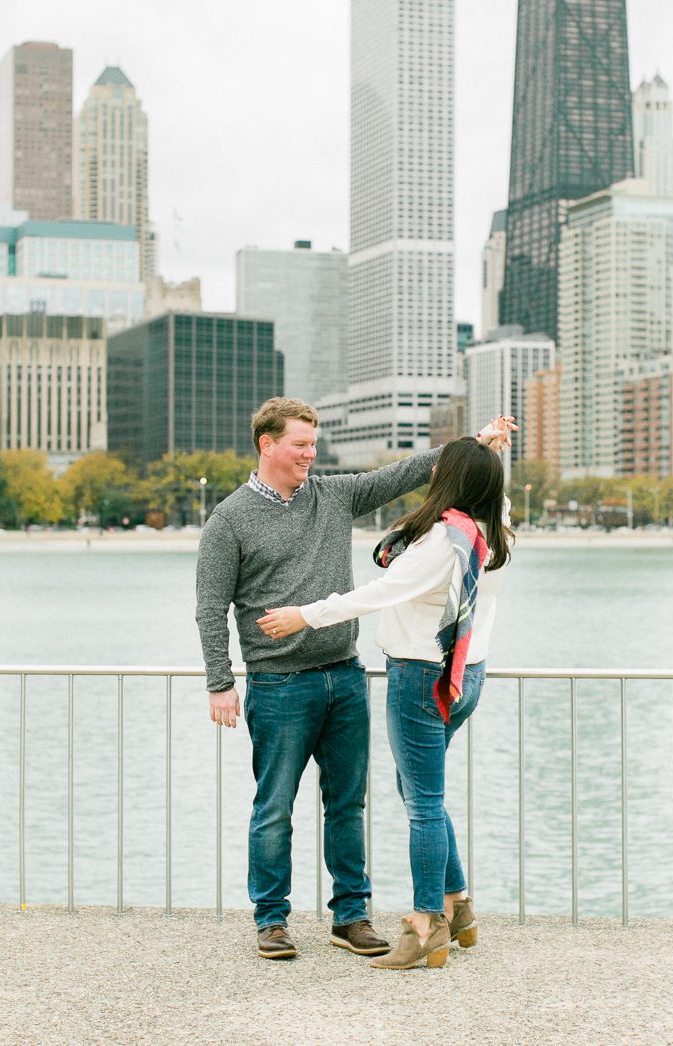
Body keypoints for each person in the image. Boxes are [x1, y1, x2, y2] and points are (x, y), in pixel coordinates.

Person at [195, 396, 514, 961]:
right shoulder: (229, 519)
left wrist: (475, 441)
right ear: (267, 444)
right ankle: (271, 919)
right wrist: (220, 682)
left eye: (314, 445)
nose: (310, 455)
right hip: (277, 684)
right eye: (300, 445)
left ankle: (351, 916)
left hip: (343, 676)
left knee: (348, 806)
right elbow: (210, 605)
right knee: (274, 806)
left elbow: (408, 473)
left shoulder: (333, 494)